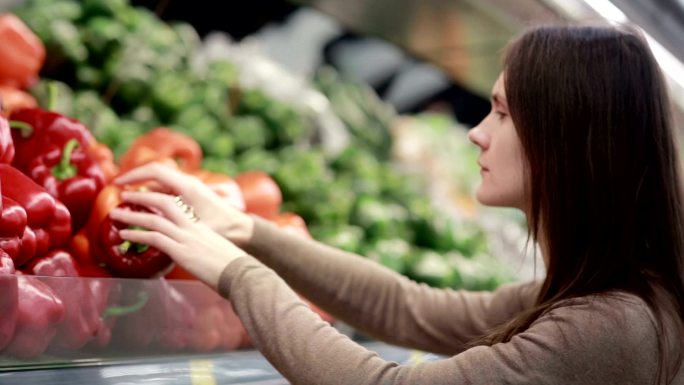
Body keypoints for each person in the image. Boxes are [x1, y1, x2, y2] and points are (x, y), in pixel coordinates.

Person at [109, 24, 684, 384]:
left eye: (503, 114)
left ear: (565, 142)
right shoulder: (597, 295)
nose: (476, 134)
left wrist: (237, 273)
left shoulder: (607, 328)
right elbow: (409, 307)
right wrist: (244, 229)